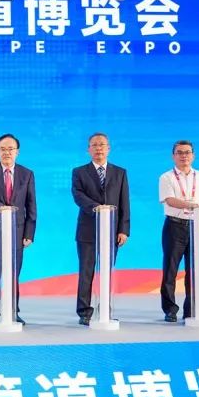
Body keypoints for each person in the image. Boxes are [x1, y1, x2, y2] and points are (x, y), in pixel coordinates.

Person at [0, 133, 36, 327]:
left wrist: (29, 233)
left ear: (17, 152)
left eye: (10, 149)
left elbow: (31, 204)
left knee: (13, 274)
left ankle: (12, 312)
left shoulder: (27, 174)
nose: (7, 152)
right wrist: (1, 208)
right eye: (3, 149)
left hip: (17, 231)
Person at [71, 132, 130, 326]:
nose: (98, 148)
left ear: (108, 149)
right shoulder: (79, 172)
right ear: (88, 149)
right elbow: (78, 196)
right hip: (87, 230)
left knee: (107, 272)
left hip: (112, 232)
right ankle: (84, 312)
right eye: (94, 145)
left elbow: (124, 202)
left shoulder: (120, 172)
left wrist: (123, 230)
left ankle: (105, 309)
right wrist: (98, 207)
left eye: (102, 145)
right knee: (86, 271)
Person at [157, 140, 199, 322]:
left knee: (195, 270)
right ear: (173, 156)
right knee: (170, 270)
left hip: (197, 227)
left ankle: (191, 309)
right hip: (175, 226)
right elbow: (169, 199)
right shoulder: (166, 177)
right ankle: (170, 309)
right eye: (180, 152)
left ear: (193, 155)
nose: (184, 156)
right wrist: (192, 205)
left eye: (187, 152)